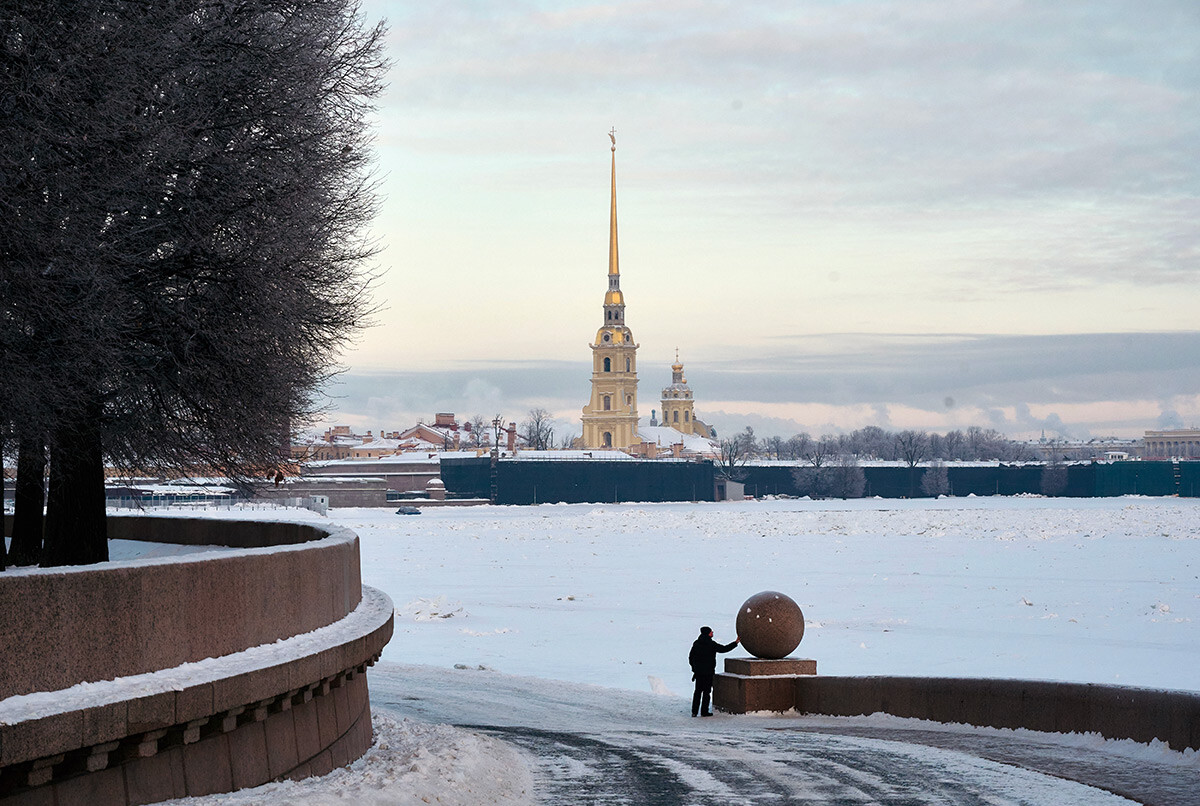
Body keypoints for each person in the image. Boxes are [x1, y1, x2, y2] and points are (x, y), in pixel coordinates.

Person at [688, 625, 739, 717]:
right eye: (711, 632)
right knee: (706, 692)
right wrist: (735, 643)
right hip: (708, 672)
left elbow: (691, 657)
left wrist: (694, 668)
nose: (713, 633)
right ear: (708, 633)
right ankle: (704, 711)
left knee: (697, 692)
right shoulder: (711, 644)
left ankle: (694, 712)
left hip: (699, 673)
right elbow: (724, 649)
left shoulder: (696, 643)